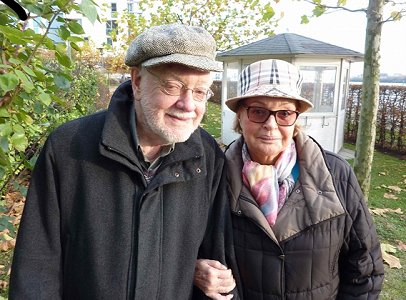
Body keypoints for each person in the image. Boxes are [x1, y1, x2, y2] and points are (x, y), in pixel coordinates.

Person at [9, 23, 238, 299]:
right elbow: (36, 269)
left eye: (200, 91)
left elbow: (215, 261)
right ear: (138, 82)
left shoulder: (207, 155)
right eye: (173, 86)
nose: (188, 105)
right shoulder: (69, 148)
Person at [194, 59, 384, 299]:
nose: (270, 125)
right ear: (240, 116)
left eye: (284, 113)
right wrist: (194, 269)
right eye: (258, 111)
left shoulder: (336, 174)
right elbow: (191, 248)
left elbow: (364, 266)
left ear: (296, 119)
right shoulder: (215, 178)